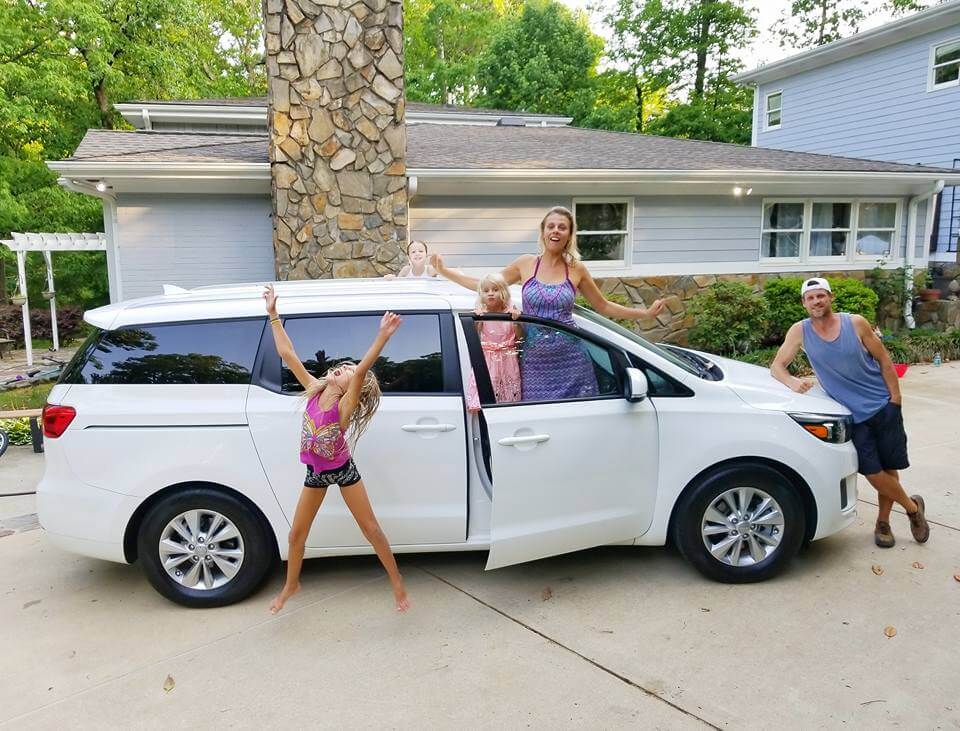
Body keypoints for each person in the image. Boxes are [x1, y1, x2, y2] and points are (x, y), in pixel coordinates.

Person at [262, 284, 410, 613]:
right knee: (295, 536)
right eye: (342, 368)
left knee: (370, 528)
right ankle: (292, 585)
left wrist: (382, 337)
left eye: (347, 372)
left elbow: (361, 371)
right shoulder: (314, 391)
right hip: (315, 472)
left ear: (349, 386)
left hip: (342, 470)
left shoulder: (345, 406)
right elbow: (287, 354)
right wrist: (273, 314)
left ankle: (397, 581)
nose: (342, 370)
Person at [430, 206, 665, 400]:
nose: (555, 231)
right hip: (535, 361)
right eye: (550, 226)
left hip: (572, 361)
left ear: (569, 235)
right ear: (543, 232)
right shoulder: (525, 263)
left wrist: (644, 314)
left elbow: (603, 306)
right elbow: (485, 285)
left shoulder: (577, 269)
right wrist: (445, 271)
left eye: (562, 227)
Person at [770, 277, 929, 548]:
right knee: (872, 471)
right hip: (852, 415)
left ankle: (883, 523)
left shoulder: (855, 323)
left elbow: (883, 359)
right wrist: (793, 382)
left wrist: (896, 398)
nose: (816, 301)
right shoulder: (800, 331)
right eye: (811, 298)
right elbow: (777, 367)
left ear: (830, 297)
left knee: (889, 468)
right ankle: (913, 508)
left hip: (883, 405)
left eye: (821, 295)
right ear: (804, 303)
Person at [474, 273, 522, 404]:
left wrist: (516, 320)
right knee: (489, 394)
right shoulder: (481, 313)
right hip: (489, 360)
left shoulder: (510, 312)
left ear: (504, 292)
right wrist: (477, 319)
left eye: (495, 289)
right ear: (481, 295)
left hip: (508, 359)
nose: (491, 293)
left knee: (509, 396)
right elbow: (474, 334)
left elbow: (520, 337)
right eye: (486, 290)